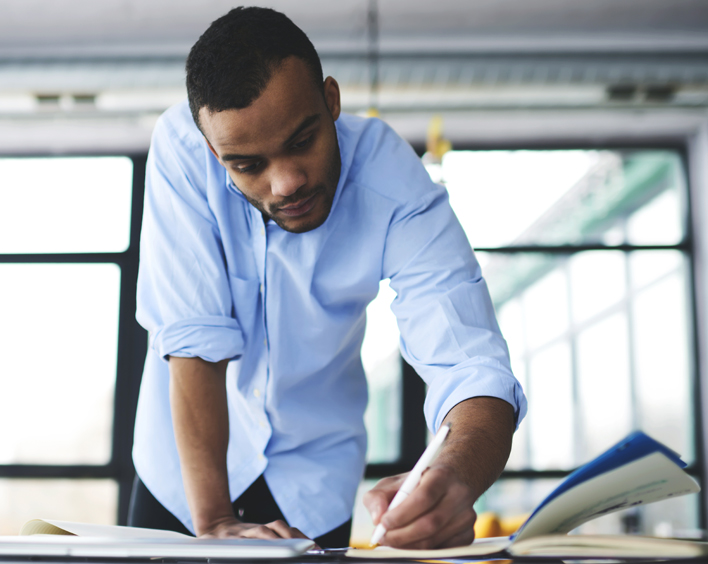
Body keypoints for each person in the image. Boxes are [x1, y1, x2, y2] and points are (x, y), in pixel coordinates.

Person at [130, 6, 527, 550]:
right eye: (248, 165)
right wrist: (215, 519)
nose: (286, 183)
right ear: (213, 152)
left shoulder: (394, 181)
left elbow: (470, 364)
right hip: (183, 477)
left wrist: (455, 477)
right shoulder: (182, 145)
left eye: (301, 141)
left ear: (331, 101)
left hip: (311, 484)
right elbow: (194, 335)